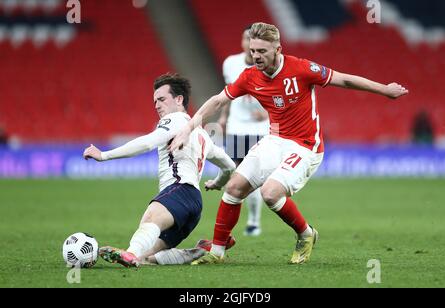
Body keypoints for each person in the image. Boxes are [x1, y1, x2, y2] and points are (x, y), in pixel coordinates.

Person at [169, 22, 409, 265]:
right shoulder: (249, 76)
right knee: (233, 188)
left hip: (306, 145)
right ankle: (217, 253)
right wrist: (188, 128)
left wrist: (385, 90)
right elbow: (218, 101)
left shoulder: (302, 68)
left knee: (270, 194)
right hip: (275, 140)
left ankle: (306, 234)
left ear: (278, 49)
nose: (256, 56)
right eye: (253, 51)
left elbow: (344, 80)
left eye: (262, 51)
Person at [83, 73, 236, 267]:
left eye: (162, 99)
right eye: (155, 101)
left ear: (179, 100)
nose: (156, 105)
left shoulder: (175, 120)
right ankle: (201, 250)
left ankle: (129, 253)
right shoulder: (204, 135)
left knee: (149, 220)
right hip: (194, 205)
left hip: (178, 192)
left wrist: (104, 156)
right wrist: (217, 183)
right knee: (146, 257)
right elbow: (229, 166)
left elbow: (147, 143)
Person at [219, 25, 269, 237]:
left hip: (259, 129)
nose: (249, 44)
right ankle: (229, 226)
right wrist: (223, 117)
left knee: (252, 178)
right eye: (246, 38)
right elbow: (228, 93)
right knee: (234, 176)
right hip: (236, 128)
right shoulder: (230, 63)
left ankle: (254, 221)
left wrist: (267, 113)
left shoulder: (268, 66)